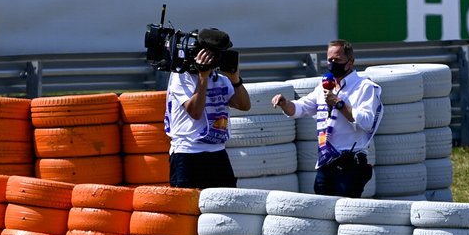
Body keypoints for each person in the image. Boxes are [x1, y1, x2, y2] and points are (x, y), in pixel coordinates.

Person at [271, 39, 382, 197]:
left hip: (350, 162)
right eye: (329, 60)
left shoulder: (365, 87)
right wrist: (284, 103)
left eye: (337, 60)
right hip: (326, 161)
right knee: (322, 212)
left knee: (345, 212)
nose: (332, 63)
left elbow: (367, 122)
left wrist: (339, 104)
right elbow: (300, 108)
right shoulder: (323, 87)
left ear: (350, 62)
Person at [164, 28, 251, 189]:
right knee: (187, 209)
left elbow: (244, 105)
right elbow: (195, 112)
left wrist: (235, 79)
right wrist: (203, 78)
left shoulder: (221, 79)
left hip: (217, 151)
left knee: (226, 206)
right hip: (187, 152)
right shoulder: (181, 76)